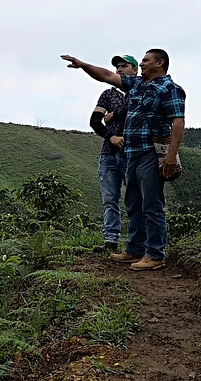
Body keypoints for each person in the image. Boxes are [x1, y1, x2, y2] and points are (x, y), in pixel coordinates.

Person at [60, 49, 185, 271]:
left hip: (150, 153)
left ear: (160, 63)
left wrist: (171, 155)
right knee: (134, 203)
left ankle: (155, 254)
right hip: (131, 153)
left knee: (152, 204)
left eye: (146, 60)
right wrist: (82, 64)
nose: (143, 63)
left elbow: (178, 122)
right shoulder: (137, 85)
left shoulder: (170, 89)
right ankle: (135, 249)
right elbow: (107, 76)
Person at [88, 55, 139, 253]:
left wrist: (115, 115)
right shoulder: (108, 94)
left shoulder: (140, 89)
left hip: (133, 152)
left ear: (135, 70)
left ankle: (136, 243)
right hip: (108, 153)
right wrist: (111, 137)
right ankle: (110, 241)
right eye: (117, 67)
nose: (119, 69)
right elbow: (94, 121)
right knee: (110, 200)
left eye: (124, 66)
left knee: (135, 199)